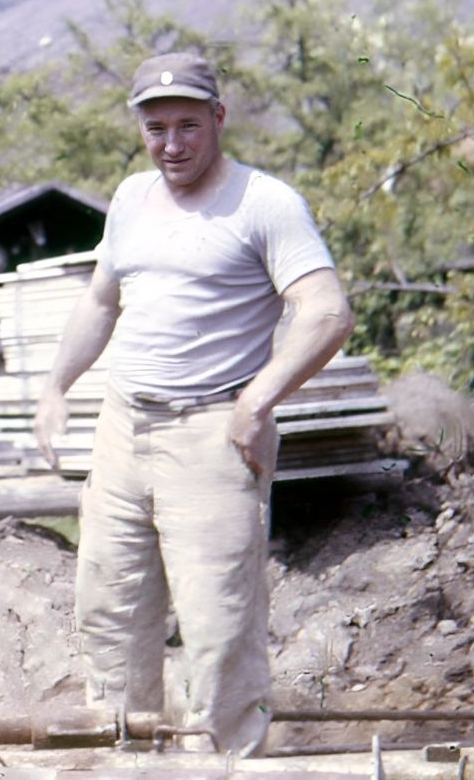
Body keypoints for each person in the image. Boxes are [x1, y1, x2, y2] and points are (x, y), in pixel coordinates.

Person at [32, 51, 352, 756]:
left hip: (212, 433)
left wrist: (257, 399)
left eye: (186, 126)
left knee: (218, 627)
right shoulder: (128, 198)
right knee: (110, 613)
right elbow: (101, 299)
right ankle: (123, 763)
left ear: (218, 117)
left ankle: (222, 764)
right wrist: (56, 387)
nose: (172, 145)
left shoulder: (264, 203)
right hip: (124, 429)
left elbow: (327, 311)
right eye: (156, 128)